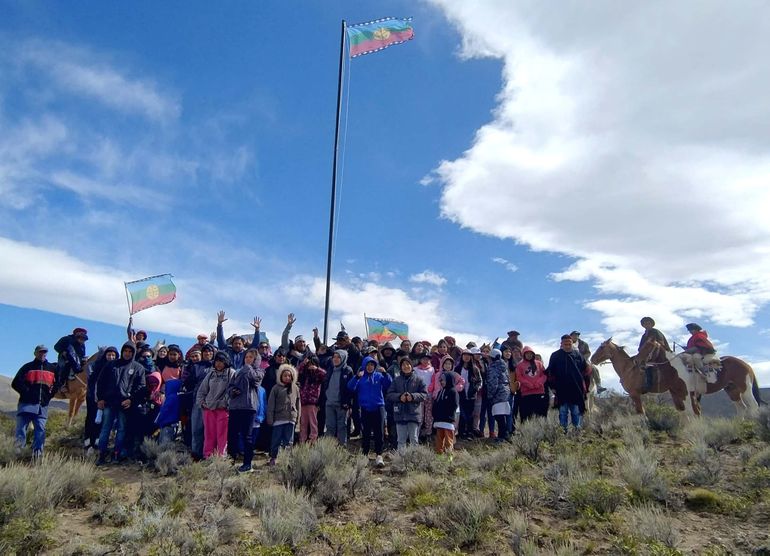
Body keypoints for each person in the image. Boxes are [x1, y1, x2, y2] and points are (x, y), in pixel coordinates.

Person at [96, 341, 146, 465]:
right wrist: (100, 398)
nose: (127, 354)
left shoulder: (138, 368)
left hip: (124, 404)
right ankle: (101, 454)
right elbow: (101, 382)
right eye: (125, 351)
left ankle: (116, 454)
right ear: (122, 351)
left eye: (130, 352)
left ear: (133, 353)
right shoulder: (111, 365)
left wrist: (131, 400)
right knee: (105, 428)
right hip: (109, 402)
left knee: (122, 429)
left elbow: (141, 387)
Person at [12, 345, 57, 459]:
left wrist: (49, 395)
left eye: (44, 352)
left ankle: (37, 455)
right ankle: (18, 454)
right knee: (21, 429)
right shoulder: (27, 367)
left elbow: (58, 384)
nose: (42, 354)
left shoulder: (52, 368)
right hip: (26, 404)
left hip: (42, 405)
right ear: (35, 353)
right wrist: (27, 393)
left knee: (40, 430)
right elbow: (16, 383)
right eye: (40, 352)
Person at [347, 356, 392, 467]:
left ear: (375, 366)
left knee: (379, 432)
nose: (370, 367)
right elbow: (350, 387)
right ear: (364, 366)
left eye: (372, 365)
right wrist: (356, 377)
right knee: (365, 432)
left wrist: (386, 374)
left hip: (379, 408)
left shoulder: (379, 376)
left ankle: (379, 455)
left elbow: (388, 384)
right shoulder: (360, 377)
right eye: (368, 365)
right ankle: (365, 454)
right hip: (365, 408)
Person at [228, 348, 263, 473]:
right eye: (246, 357)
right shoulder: (237, 372)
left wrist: (248, 368)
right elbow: (230, 386)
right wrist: (232, 391)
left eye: (251, 357)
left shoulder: (259, 371)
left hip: (249, 407)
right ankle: (229, 462)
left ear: (256, 359)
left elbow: (256, 381)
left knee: (247, 436)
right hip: (235, 407)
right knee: (232, 435)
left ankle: (247, 464)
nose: (247, 359)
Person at [547, 335, 592, 432]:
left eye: (569, 344)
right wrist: (553, 387)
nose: (567, 346)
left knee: (576, 411)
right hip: (561, 388)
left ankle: (577, 432)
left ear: (572, 344)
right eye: (565, 344)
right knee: (563, 412)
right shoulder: (555, 355)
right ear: (561, 344)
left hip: (576, 389)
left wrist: (584, 386)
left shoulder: (578, 355)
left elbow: (585, 370)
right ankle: (563, 432)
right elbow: (550, 373)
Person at [196, 351, 234, 458]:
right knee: (209, 434)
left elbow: (231, 391)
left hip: (223, 410)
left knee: (222, 435)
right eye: (217, 361)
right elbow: (201, 391)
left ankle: (221, 458)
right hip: (208, 409)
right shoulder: (210, 374)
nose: (218, 364)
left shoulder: (231, 373)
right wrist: (202, 403)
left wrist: (224, 404)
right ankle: (208, 456)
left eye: (221, 361)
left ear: (226, 362)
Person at [386, 357, 428, 453]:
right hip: (400, 414)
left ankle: (414, 462)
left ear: (411, 366)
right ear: (400, 367)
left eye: (408, 364)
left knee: (414, 439)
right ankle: (401, 461)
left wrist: (413, 397)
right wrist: (399, 397)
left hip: (414, 414)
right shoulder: (396, 380)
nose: (406, 366)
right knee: (401, 440)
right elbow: (389, 395)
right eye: (403, 365)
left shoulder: (418, 379)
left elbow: (424, 395)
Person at [85, 346, 118, 454]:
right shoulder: (97, 367)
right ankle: (89, 442)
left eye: (113, 355)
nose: (111, 357)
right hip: (95, 399)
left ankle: (99, 445)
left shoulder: (117, 368)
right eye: (109, 355)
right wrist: (97, 399)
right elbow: (94, 384)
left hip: (110, 400)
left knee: (105, 423)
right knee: (93, 420)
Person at [266, 364, 301, 466]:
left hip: (291, 419)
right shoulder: (276, 388)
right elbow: (271, 404)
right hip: (278, 418)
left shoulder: (295, 388)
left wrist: (297, 418)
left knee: (289, 441)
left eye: (289, 376)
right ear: (280, 376)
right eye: (285, 375)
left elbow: (298, 404)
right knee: (276, 440)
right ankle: (273, 457)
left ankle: (287, 459)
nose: (287, 377)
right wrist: (270, 418)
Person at [322, 350, 354, 445]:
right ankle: (328, 449)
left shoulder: (348, 370)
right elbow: (326, 384)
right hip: (329, 403)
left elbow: (351, 389)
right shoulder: (330, 369)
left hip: (342, 404)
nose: (335, 359)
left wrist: (349, 404)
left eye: (338, 357)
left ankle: (341, 449)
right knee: (329, 426)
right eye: (334, 357)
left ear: (343, 358)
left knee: (342, 426)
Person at [297, 355, 326, 443]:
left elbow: (325, 374)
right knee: (303, 423)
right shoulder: (304, 375)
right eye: (309, 364)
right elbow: (295, 372)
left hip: (313, 403)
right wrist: (303, 363)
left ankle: (313, 440)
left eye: (312, 364)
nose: (310, 366)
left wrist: (317, 368)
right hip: (303, 402)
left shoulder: (318, 375)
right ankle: (302, 440)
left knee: (313, 423)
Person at [515, 346, 549, 420]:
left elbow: (544, 375)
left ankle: (541, 430)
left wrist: (538, 383)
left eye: (531, 353)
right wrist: (528, 384)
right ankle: (526, 430)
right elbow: (519, 377)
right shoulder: (520, 365)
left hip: (539, 392)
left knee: (540, 415)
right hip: (526, 393)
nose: (529, 355)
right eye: (527, 354)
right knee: (526, 415)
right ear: (524, 354)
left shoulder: (539, 364)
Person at [638, 317, 671, 391]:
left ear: (652, 324)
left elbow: (661, 344)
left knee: (648, 365)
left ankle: (649, 385)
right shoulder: (644, 335)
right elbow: (640, 348)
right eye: (645, 324)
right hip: (648, 354)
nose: (647, 325)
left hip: (660, 353)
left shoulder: (655, 332)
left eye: (648, 323)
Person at [485, 349, 511, 442]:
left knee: (499, 416)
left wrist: (490, 395)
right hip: (505, 393)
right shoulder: (503, 366)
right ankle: (504, 434)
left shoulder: (493, 368)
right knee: (502, 416)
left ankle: (502, 436)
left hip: (497, 394)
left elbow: (493, 383)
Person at [455, 350, 482, 439]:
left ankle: (469, 433)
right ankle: (461, 432)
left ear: (471, 357)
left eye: (468, 355)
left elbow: (480, 381)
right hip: (460, 395)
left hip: (471, 395)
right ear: (462, 356)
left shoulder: (475, 369)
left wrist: (476, 388)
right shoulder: (457, 368)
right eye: (464, 355)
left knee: (470, 415)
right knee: (462, 415)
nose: (466, 357)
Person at [53, 327, 88, 392]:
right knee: (65, 367)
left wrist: (84, 359)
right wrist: (63, 351)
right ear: (76, 333)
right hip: (65, 358)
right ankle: (62, 385)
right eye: (81, 333)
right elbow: (56, 346)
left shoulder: (82, 344)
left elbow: (82, 354)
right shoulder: (66, 339)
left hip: (77, 361)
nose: (82, 336)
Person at [432, 372, 459, 457]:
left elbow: (454, 405)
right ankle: (439, 457)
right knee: (439, 441)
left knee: (448, 440)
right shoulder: (440, 392)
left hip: (448, 421)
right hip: (439, 421)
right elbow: (436, 404)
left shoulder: (453, 391)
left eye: (443, 380)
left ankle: (449, 458)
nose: (441, 381)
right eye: (440, 380)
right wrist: (435, 415)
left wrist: (449, 415)